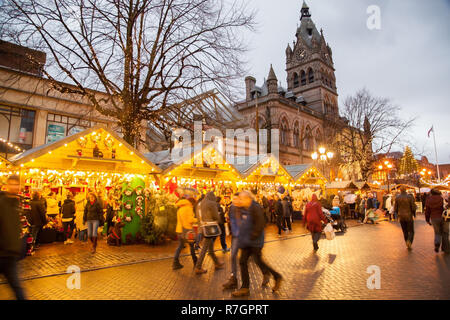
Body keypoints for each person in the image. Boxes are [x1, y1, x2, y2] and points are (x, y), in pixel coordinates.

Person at [232, 191, 282, 297]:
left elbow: (260, 224)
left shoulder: (255, 208)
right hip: (247, 241)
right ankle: (245, 287)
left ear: (248, 199)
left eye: (242, 199)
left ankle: (276, 276)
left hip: (254, 242)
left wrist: (251, 237)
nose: (240, 201)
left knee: (258, 261)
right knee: (244, 262)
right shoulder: (243, 209)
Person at [0, 175, 26, 300]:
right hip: (1, 252)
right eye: (12, 184)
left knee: (17, 288)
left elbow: (15, 228)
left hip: (10, 255)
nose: (14, 187)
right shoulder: (2, 202)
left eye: (17, 184)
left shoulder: (16, 204)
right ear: (7, 185)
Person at [194, 191, 224, 274]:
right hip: (210, 228)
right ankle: (198, 267)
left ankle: (216, 263)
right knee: (204, 248)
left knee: (210, 247)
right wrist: (219, 219)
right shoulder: (211, 203)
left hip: (202, 227)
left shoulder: (199, 203)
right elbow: (215, 216)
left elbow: (197, 216)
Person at [222, 193, 243, 290]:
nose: (234, 201)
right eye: (233, 199)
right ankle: (233, 277)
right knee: (233, 255)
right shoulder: (232, 207)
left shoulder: (245, 208)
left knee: (253, 258)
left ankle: (265, 272)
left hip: (244, 236)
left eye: (236, 199)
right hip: (235, 236)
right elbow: (231, 219)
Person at [173, 197, 198, 269]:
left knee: (180, 246)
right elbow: (190, 220)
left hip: (179, 230)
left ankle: (175, 262)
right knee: (191, 246)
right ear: (192, 203)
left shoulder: (180, 209)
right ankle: (195, 261)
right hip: (187, 230)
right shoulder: (189, 208)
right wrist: (197, 219)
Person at [425, 189, 449, 254]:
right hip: (444, 217)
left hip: (434, 218)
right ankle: (446, 249)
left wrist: (427, 220)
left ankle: (437, 244)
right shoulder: (442, 198)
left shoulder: (429, 199)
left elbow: (427, 211)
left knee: (437, 232)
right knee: (445, 233)